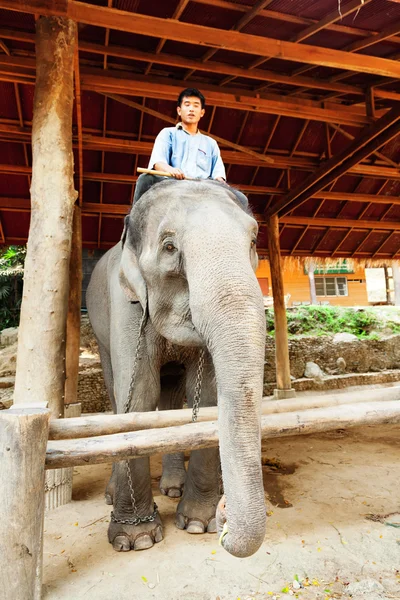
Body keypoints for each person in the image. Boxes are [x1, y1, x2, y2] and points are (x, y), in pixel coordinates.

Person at [133, 88, 248, 207]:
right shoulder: (168, 133)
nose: (191, 109)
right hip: (172, 182)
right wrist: (170, 170)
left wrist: (222, 183)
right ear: (179, 110)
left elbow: (218, 175)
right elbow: (158, 163)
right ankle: (132, 222)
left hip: (204, 187)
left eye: (196, 105)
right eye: (187, 105)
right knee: (144, 179)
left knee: (242, 199)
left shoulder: (211, 143)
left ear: (202, 112)